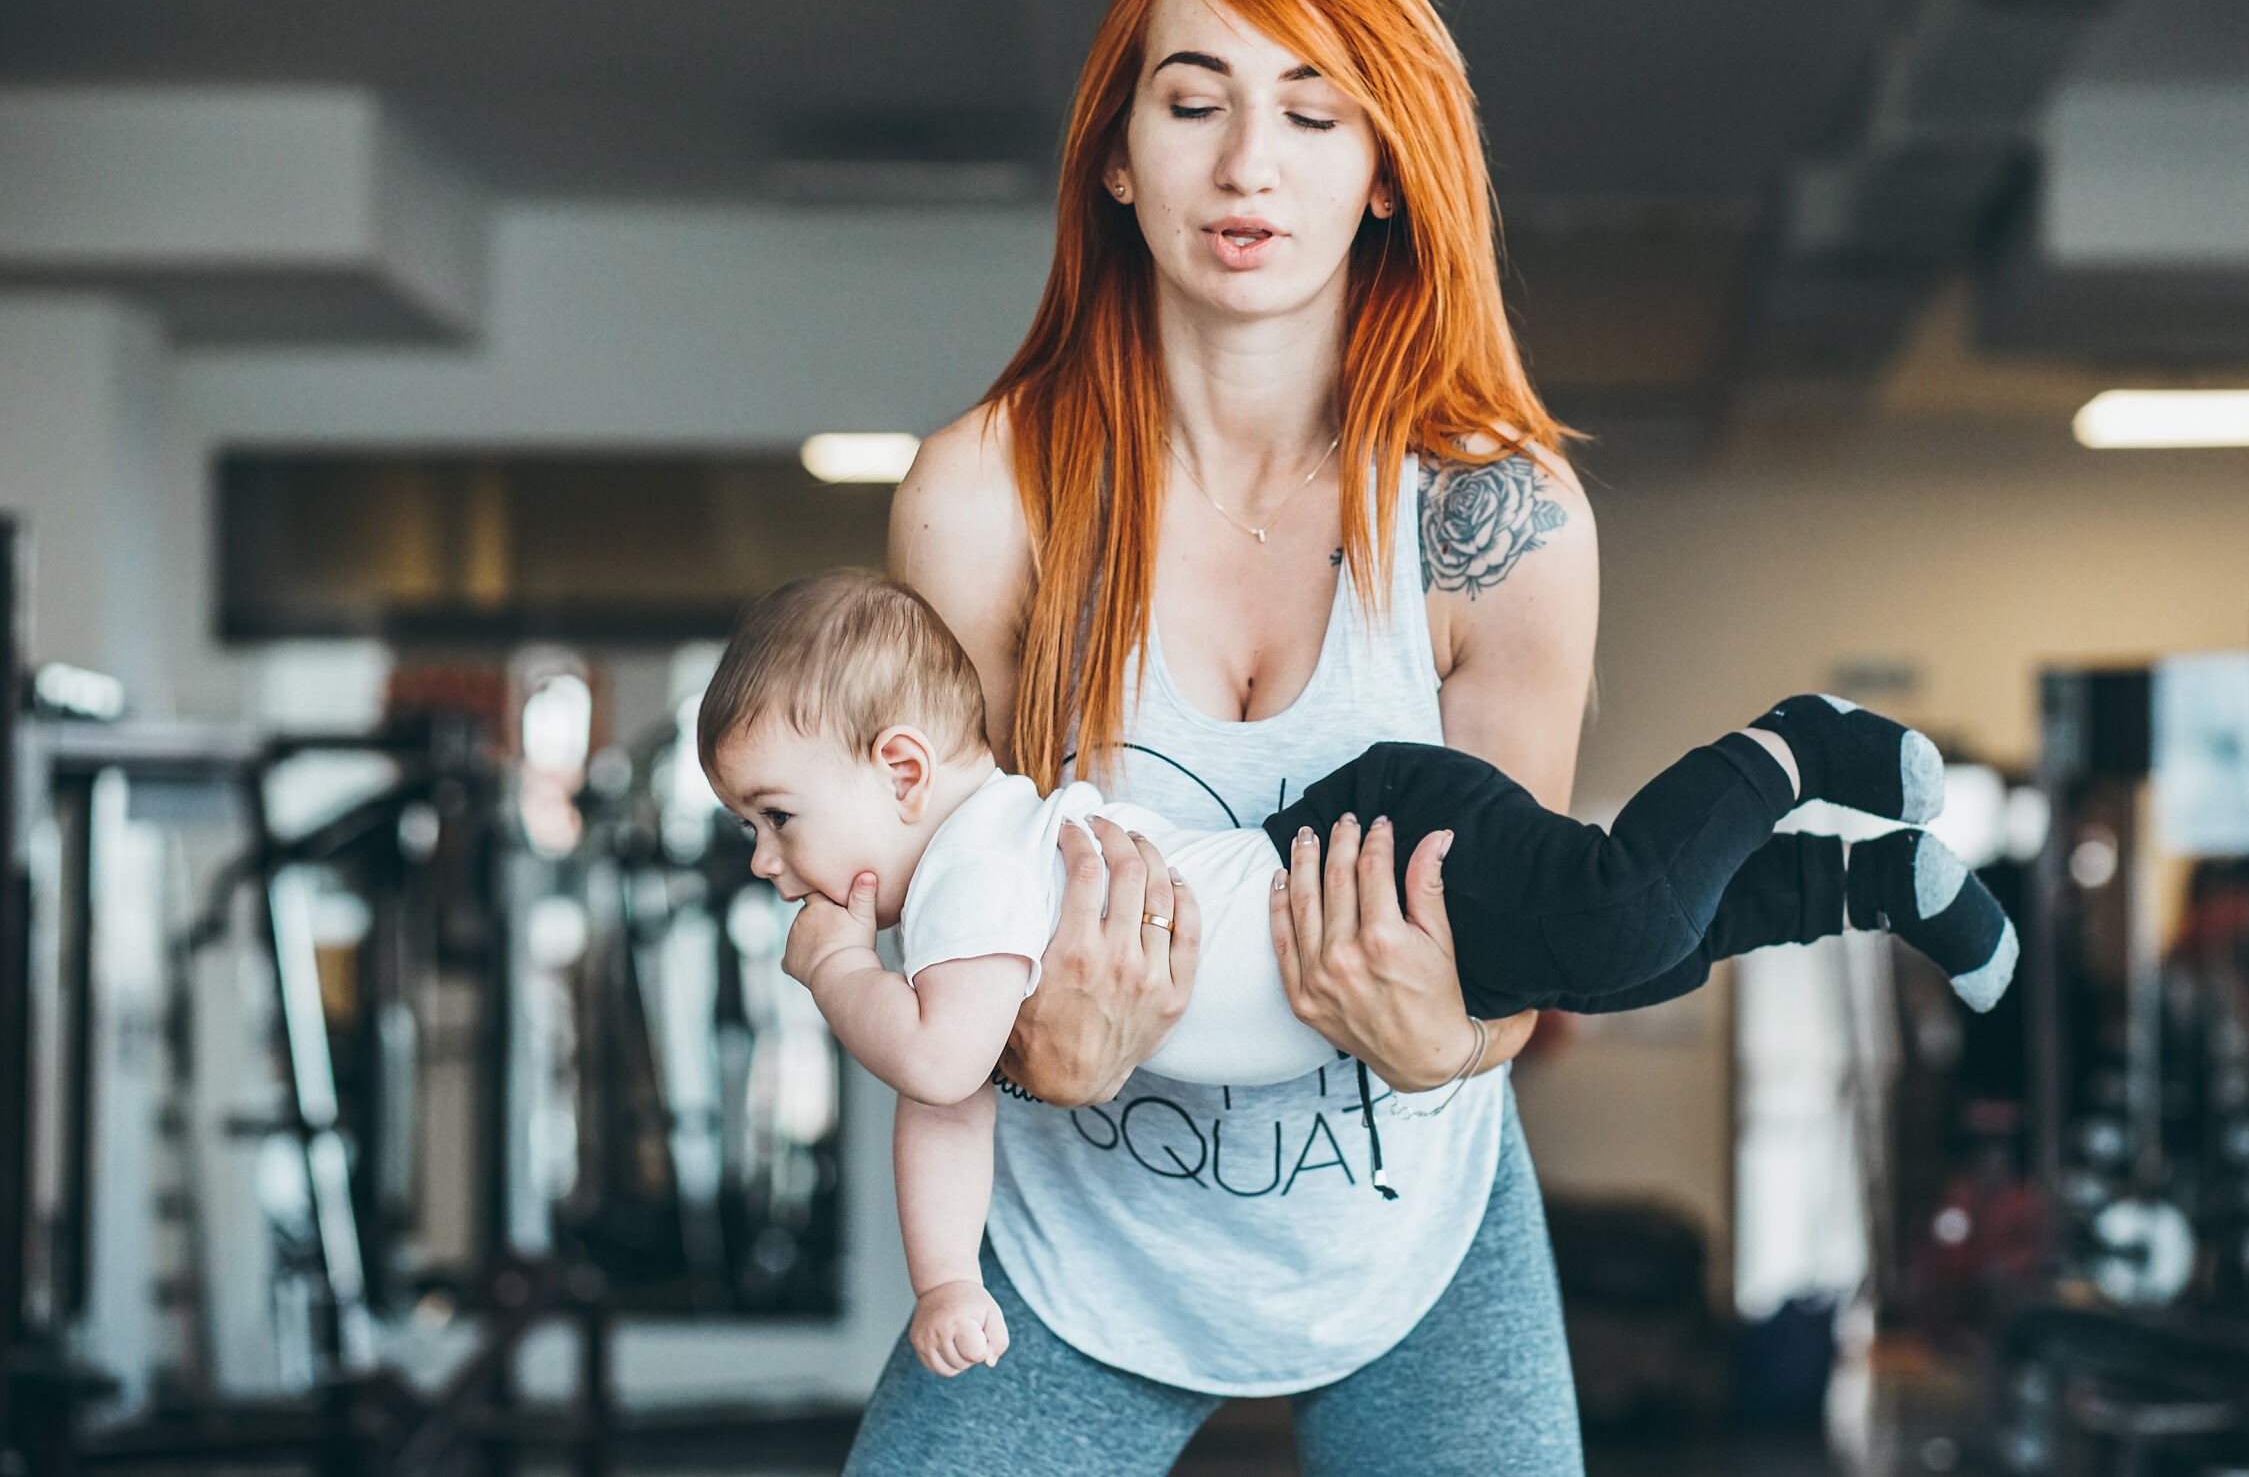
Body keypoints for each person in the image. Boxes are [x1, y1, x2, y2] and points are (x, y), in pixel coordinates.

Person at [847, 0, 1726, 1472]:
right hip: (1070, 1251)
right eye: (1196, 103)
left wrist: (1451, 1039)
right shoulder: (984, 499)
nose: (1250, 163)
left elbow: (1516, 946)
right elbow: (923, 912)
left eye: (1317, 115)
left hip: (1416, 1238)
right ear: (1116, 157)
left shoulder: (1500, 516)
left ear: (1387, 170)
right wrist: (1031, 1050)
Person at [697, 568, 2014, 1377]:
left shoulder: (973, 865)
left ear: (906, 772)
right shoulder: (953, 909)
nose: (767, 865)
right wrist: (946, 1281)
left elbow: (930, 1063)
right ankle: (1867, 887)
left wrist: (830, 974)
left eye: (776, 817)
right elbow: (952, 1103)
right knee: (1629, 965)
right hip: (1357, 902)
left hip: (1371, 855)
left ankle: (1795, 749)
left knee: (1621, 923)